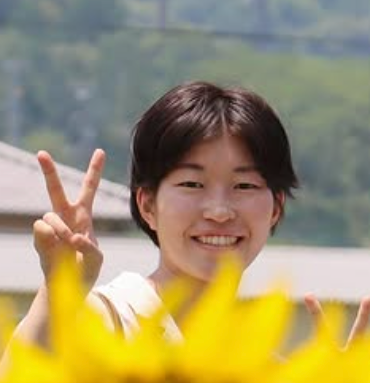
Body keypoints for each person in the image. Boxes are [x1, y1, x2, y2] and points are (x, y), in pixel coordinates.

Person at [4, 81, 302, 354]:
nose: (219, 211)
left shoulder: (265, 370)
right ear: (147, 205)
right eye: (192, 184)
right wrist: (59, 293)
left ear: (275, 208)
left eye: (244, 186)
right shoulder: (107, 319)